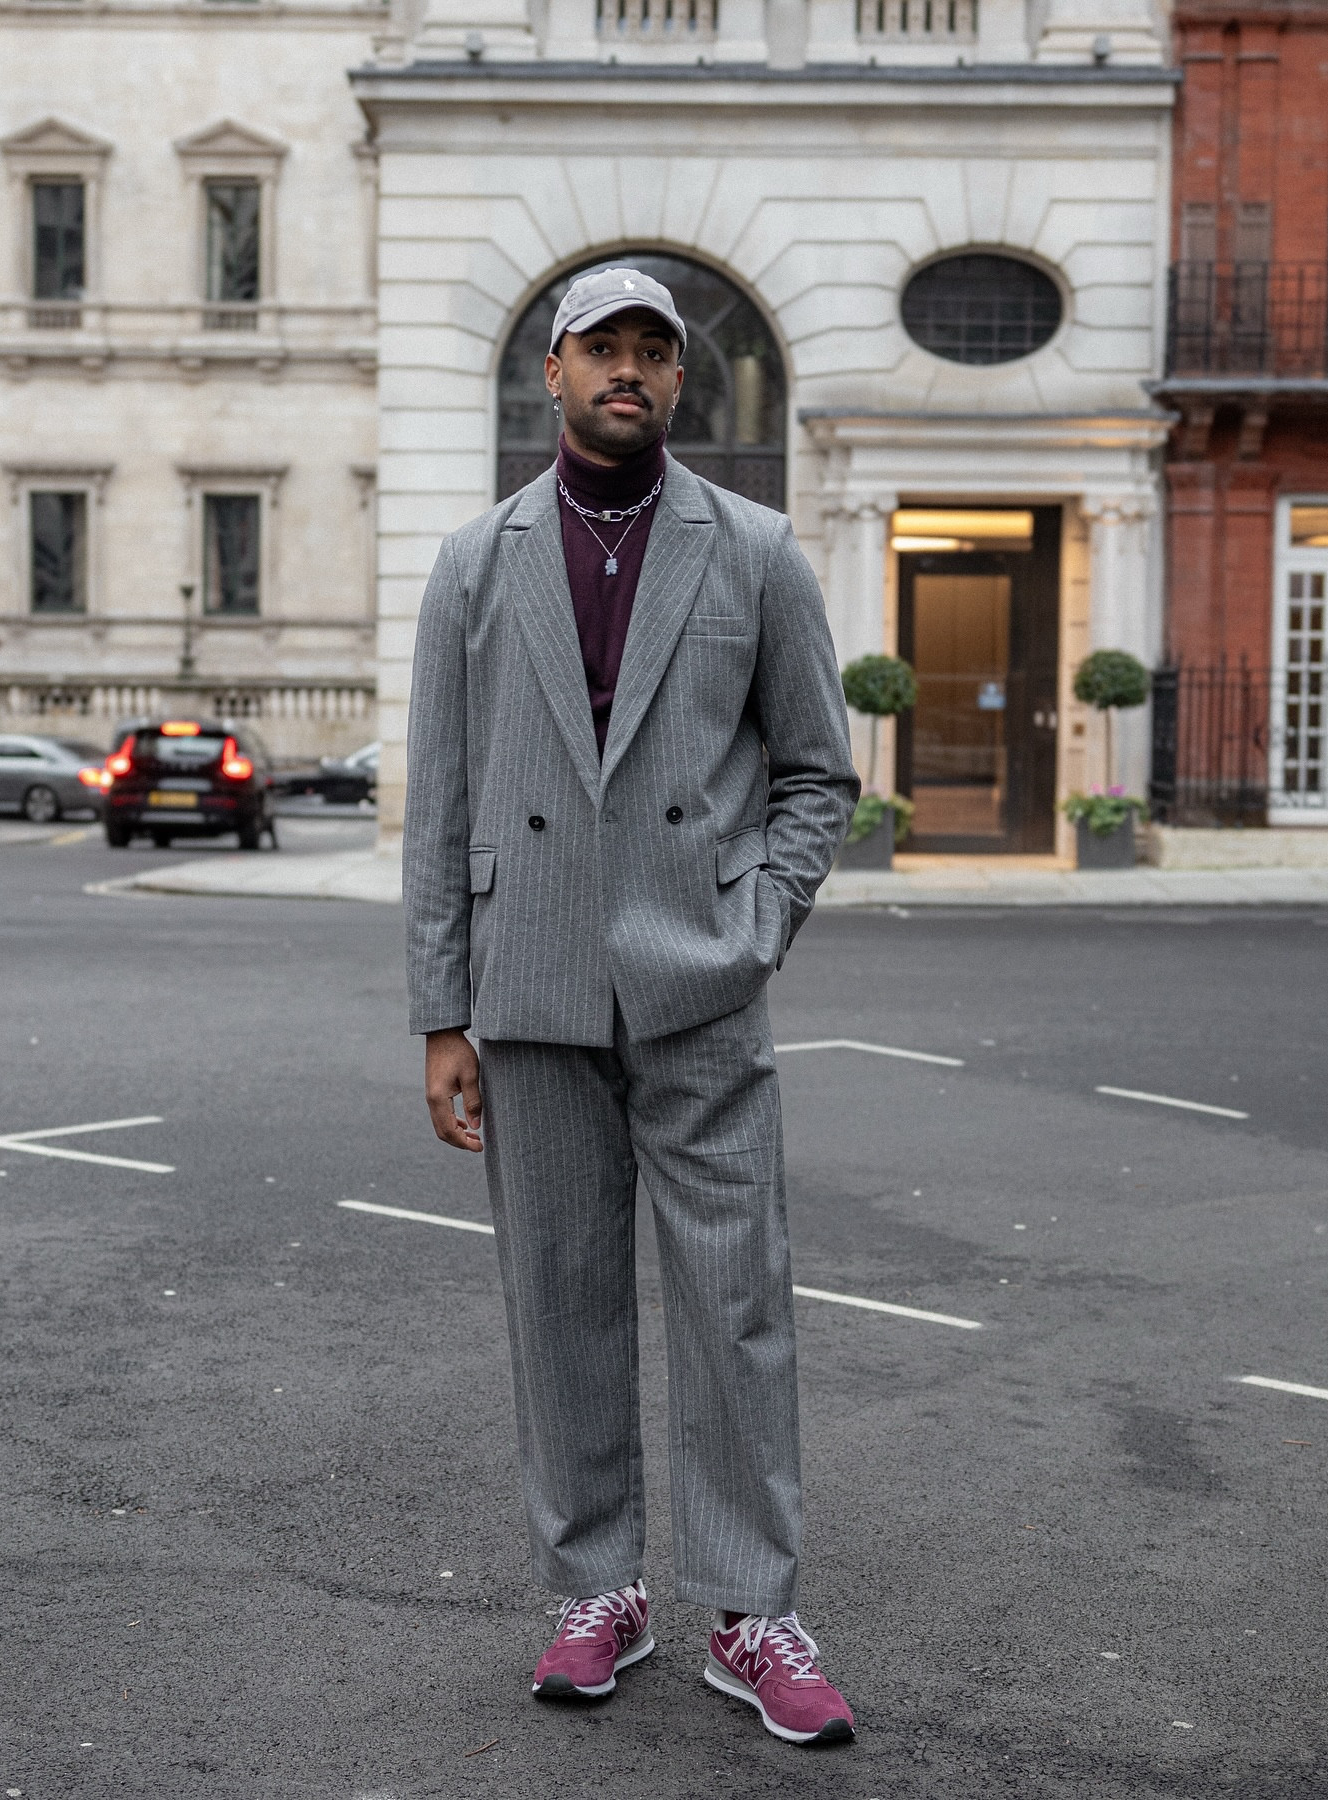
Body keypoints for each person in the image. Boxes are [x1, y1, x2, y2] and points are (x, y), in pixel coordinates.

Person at [404, 265, 860, 1745]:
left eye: (654, 350)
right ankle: (597, 1589)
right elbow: (440, 803)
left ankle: (748, 1611)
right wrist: (441, 1013)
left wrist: (756, 926)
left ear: (679, 378)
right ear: (553, 372)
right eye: (601, 345)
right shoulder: (475, 562)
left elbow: (817, 774)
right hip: (530, 985)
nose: (629, 368)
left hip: (699, 986)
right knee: (560, 1304)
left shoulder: (757, 550)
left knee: (739, 1307)